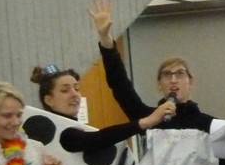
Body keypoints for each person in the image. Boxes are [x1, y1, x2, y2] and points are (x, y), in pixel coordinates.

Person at [90, 0, 225, 165]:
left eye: (180, 74)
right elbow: (119, 86)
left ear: (191, 81)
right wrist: (106, 41)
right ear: (159, 84)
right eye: (167, 75)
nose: (174, 80)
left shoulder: (209, 124)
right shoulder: (149, 119)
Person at [29, 59, 173, 155]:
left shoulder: (75, 129)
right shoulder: (59, 134)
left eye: (77, 88)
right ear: (49, 100)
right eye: (65, 90)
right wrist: (145, 122)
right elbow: (97, 139)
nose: (74, 94)